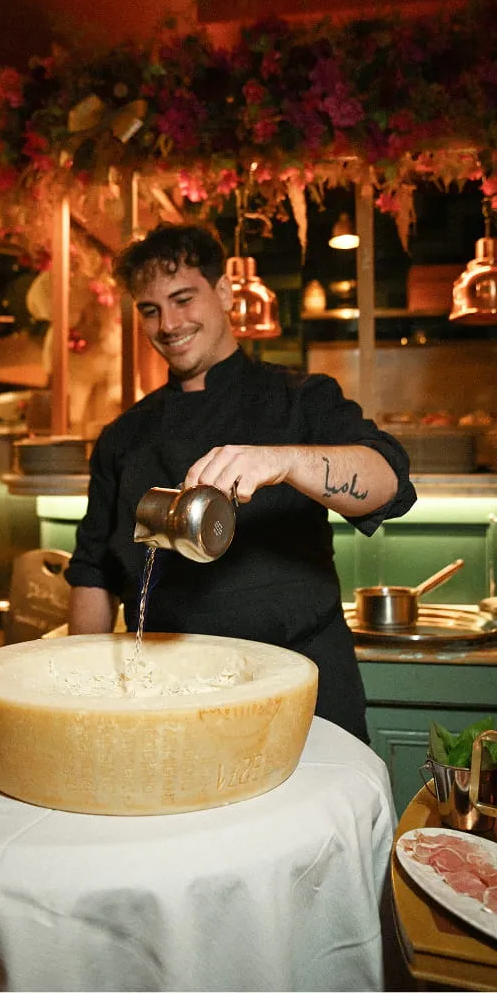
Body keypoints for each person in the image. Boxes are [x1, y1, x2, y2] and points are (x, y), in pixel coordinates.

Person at [65, 223, 417, 741]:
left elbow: (389, 479)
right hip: (172, 695)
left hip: (304, 691)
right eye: (150, 309)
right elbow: (93, 573)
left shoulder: (301, 399)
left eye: (183, 299)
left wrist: (284, 462)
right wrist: (77, 697)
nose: (168, 323)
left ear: (225, 291)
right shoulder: (124, 435)